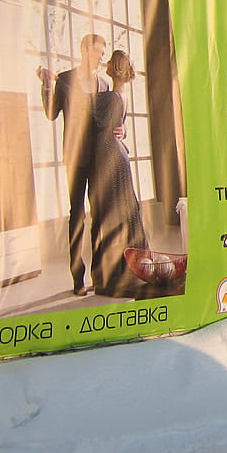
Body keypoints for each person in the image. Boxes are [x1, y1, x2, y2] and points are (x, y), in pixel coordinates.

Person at [38, 34, 109, 296]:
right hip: (76, 157)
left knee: (99, 216)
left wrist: (121, 129)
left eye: (103, 53)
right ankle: (78, 278)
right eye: (97, 51)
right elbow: (51, 113)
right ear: (84, 50)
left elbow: (110, 119)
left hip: (100, 157)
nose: (101, 57)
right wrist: (47, 85)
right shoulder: (66, 80)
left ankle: (99, 276)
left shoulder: (104, 84)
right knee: (77, 215)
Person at [90, 50, 149, 297]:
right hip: (118, 154)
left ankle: (115, 275)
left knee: (112, 214)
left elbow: (94, 122)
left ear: (113, 68)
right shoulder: (121, 95)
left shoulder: (110, 97)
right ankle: (128, 268)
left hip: (109, 157)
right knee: (123, 210)